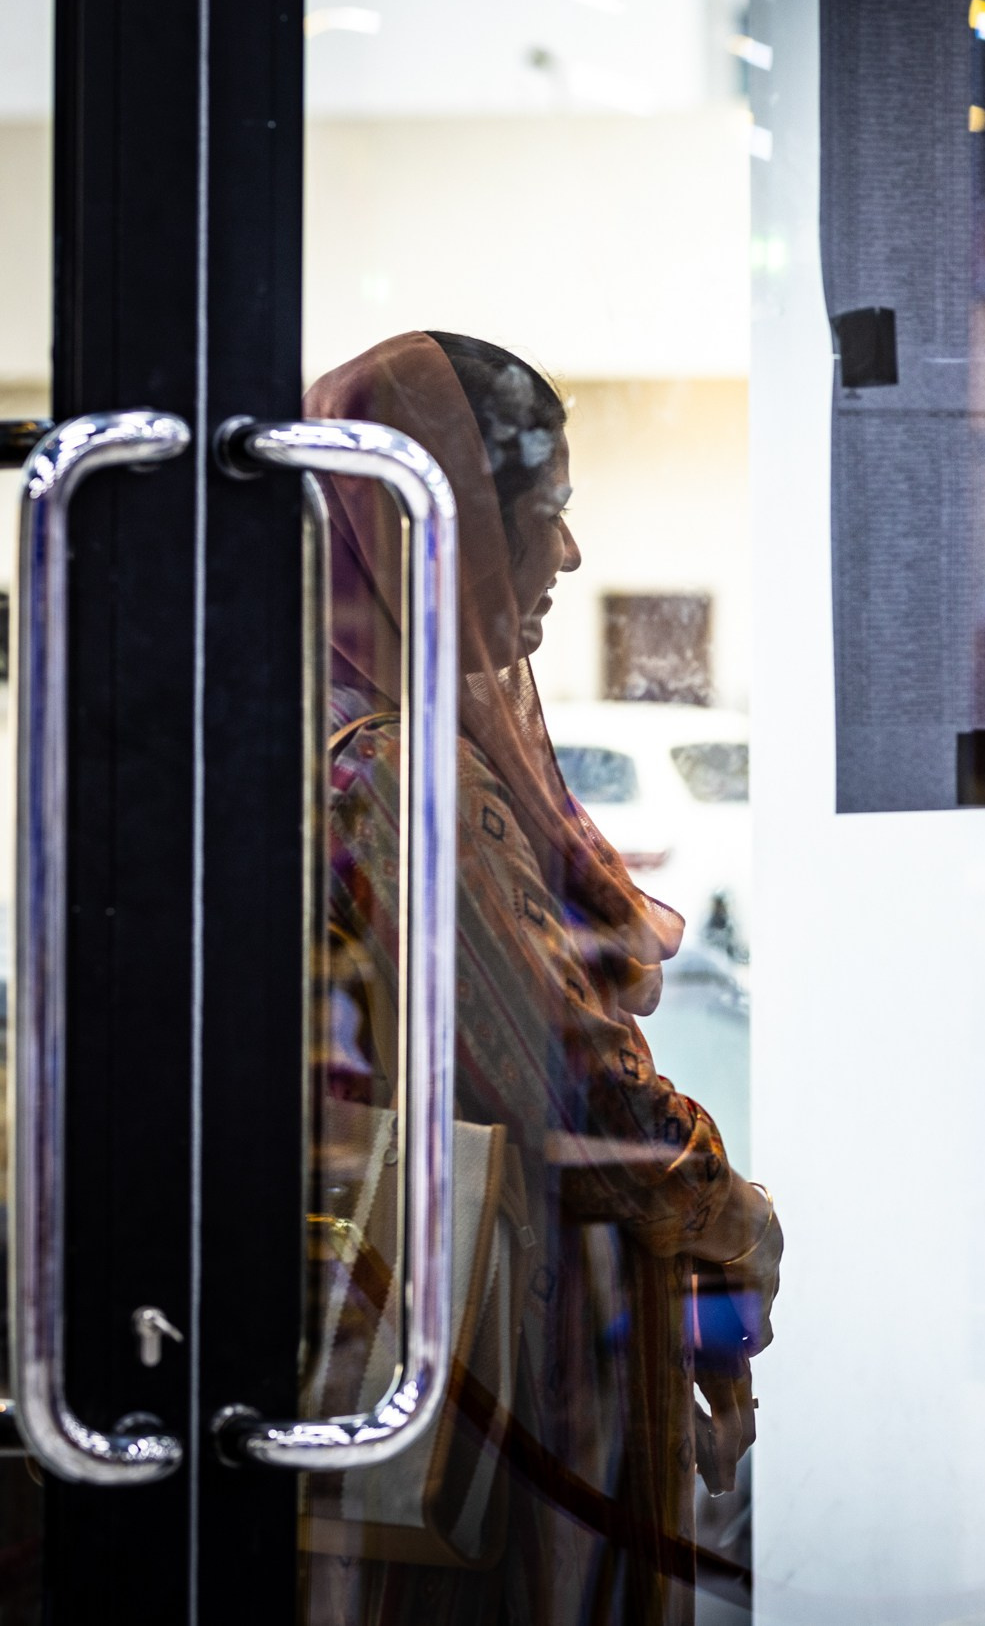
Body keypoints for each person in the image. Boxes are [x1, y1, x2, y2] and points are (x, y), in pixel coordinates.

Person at [305, 331, 782, 1624]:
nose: (569, 554)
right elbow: (586, 1096)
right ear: (442, 531)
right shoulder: (402, 777)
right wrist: (736, 1212)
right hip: (491, 1381)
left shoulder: (341, 720)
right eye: (549, 510)